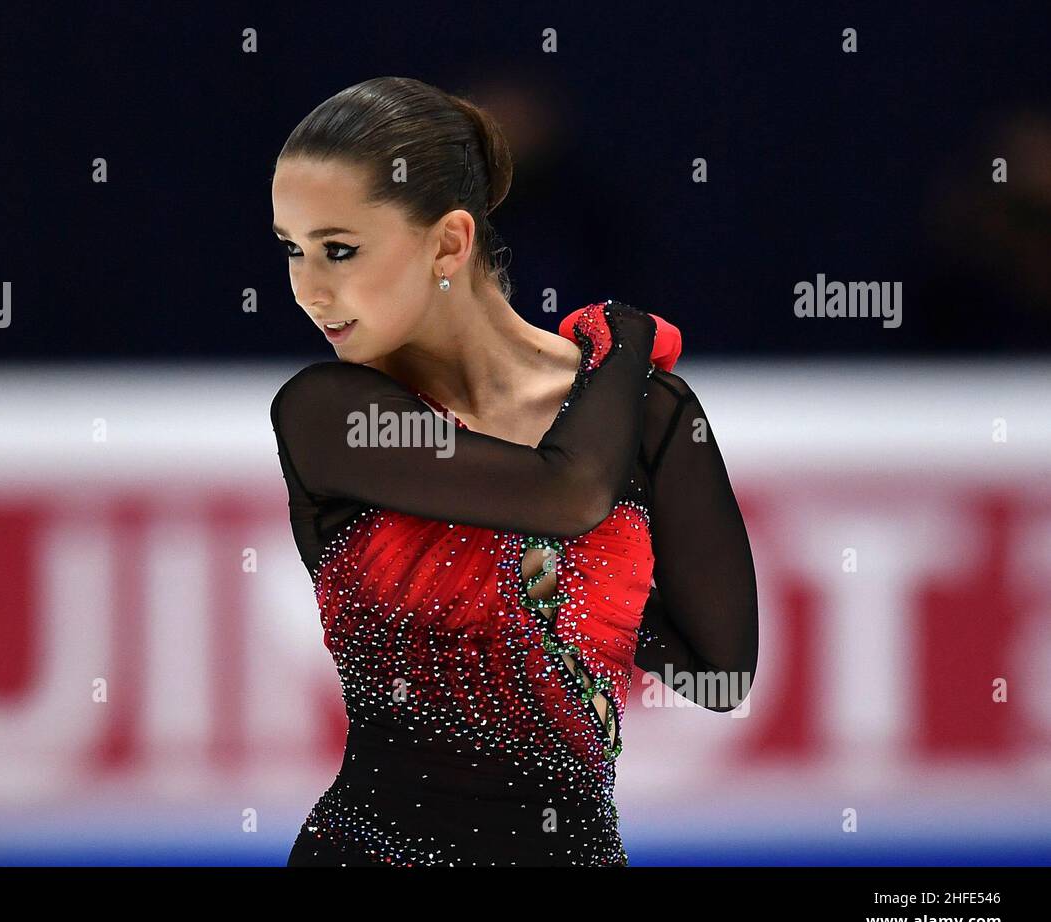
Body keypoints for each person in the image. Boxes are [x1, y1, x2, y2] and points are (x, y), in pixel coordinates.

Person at [269, 77, 758, 866]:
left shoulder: (650, 415)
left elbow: (720, 673)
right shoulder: (331, 413)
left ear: (449, 244)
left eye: (339, 249)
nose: (307, 289)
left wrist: (585, 605)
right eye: (292, 250)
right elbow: (565, 495)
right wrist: (622, 344)